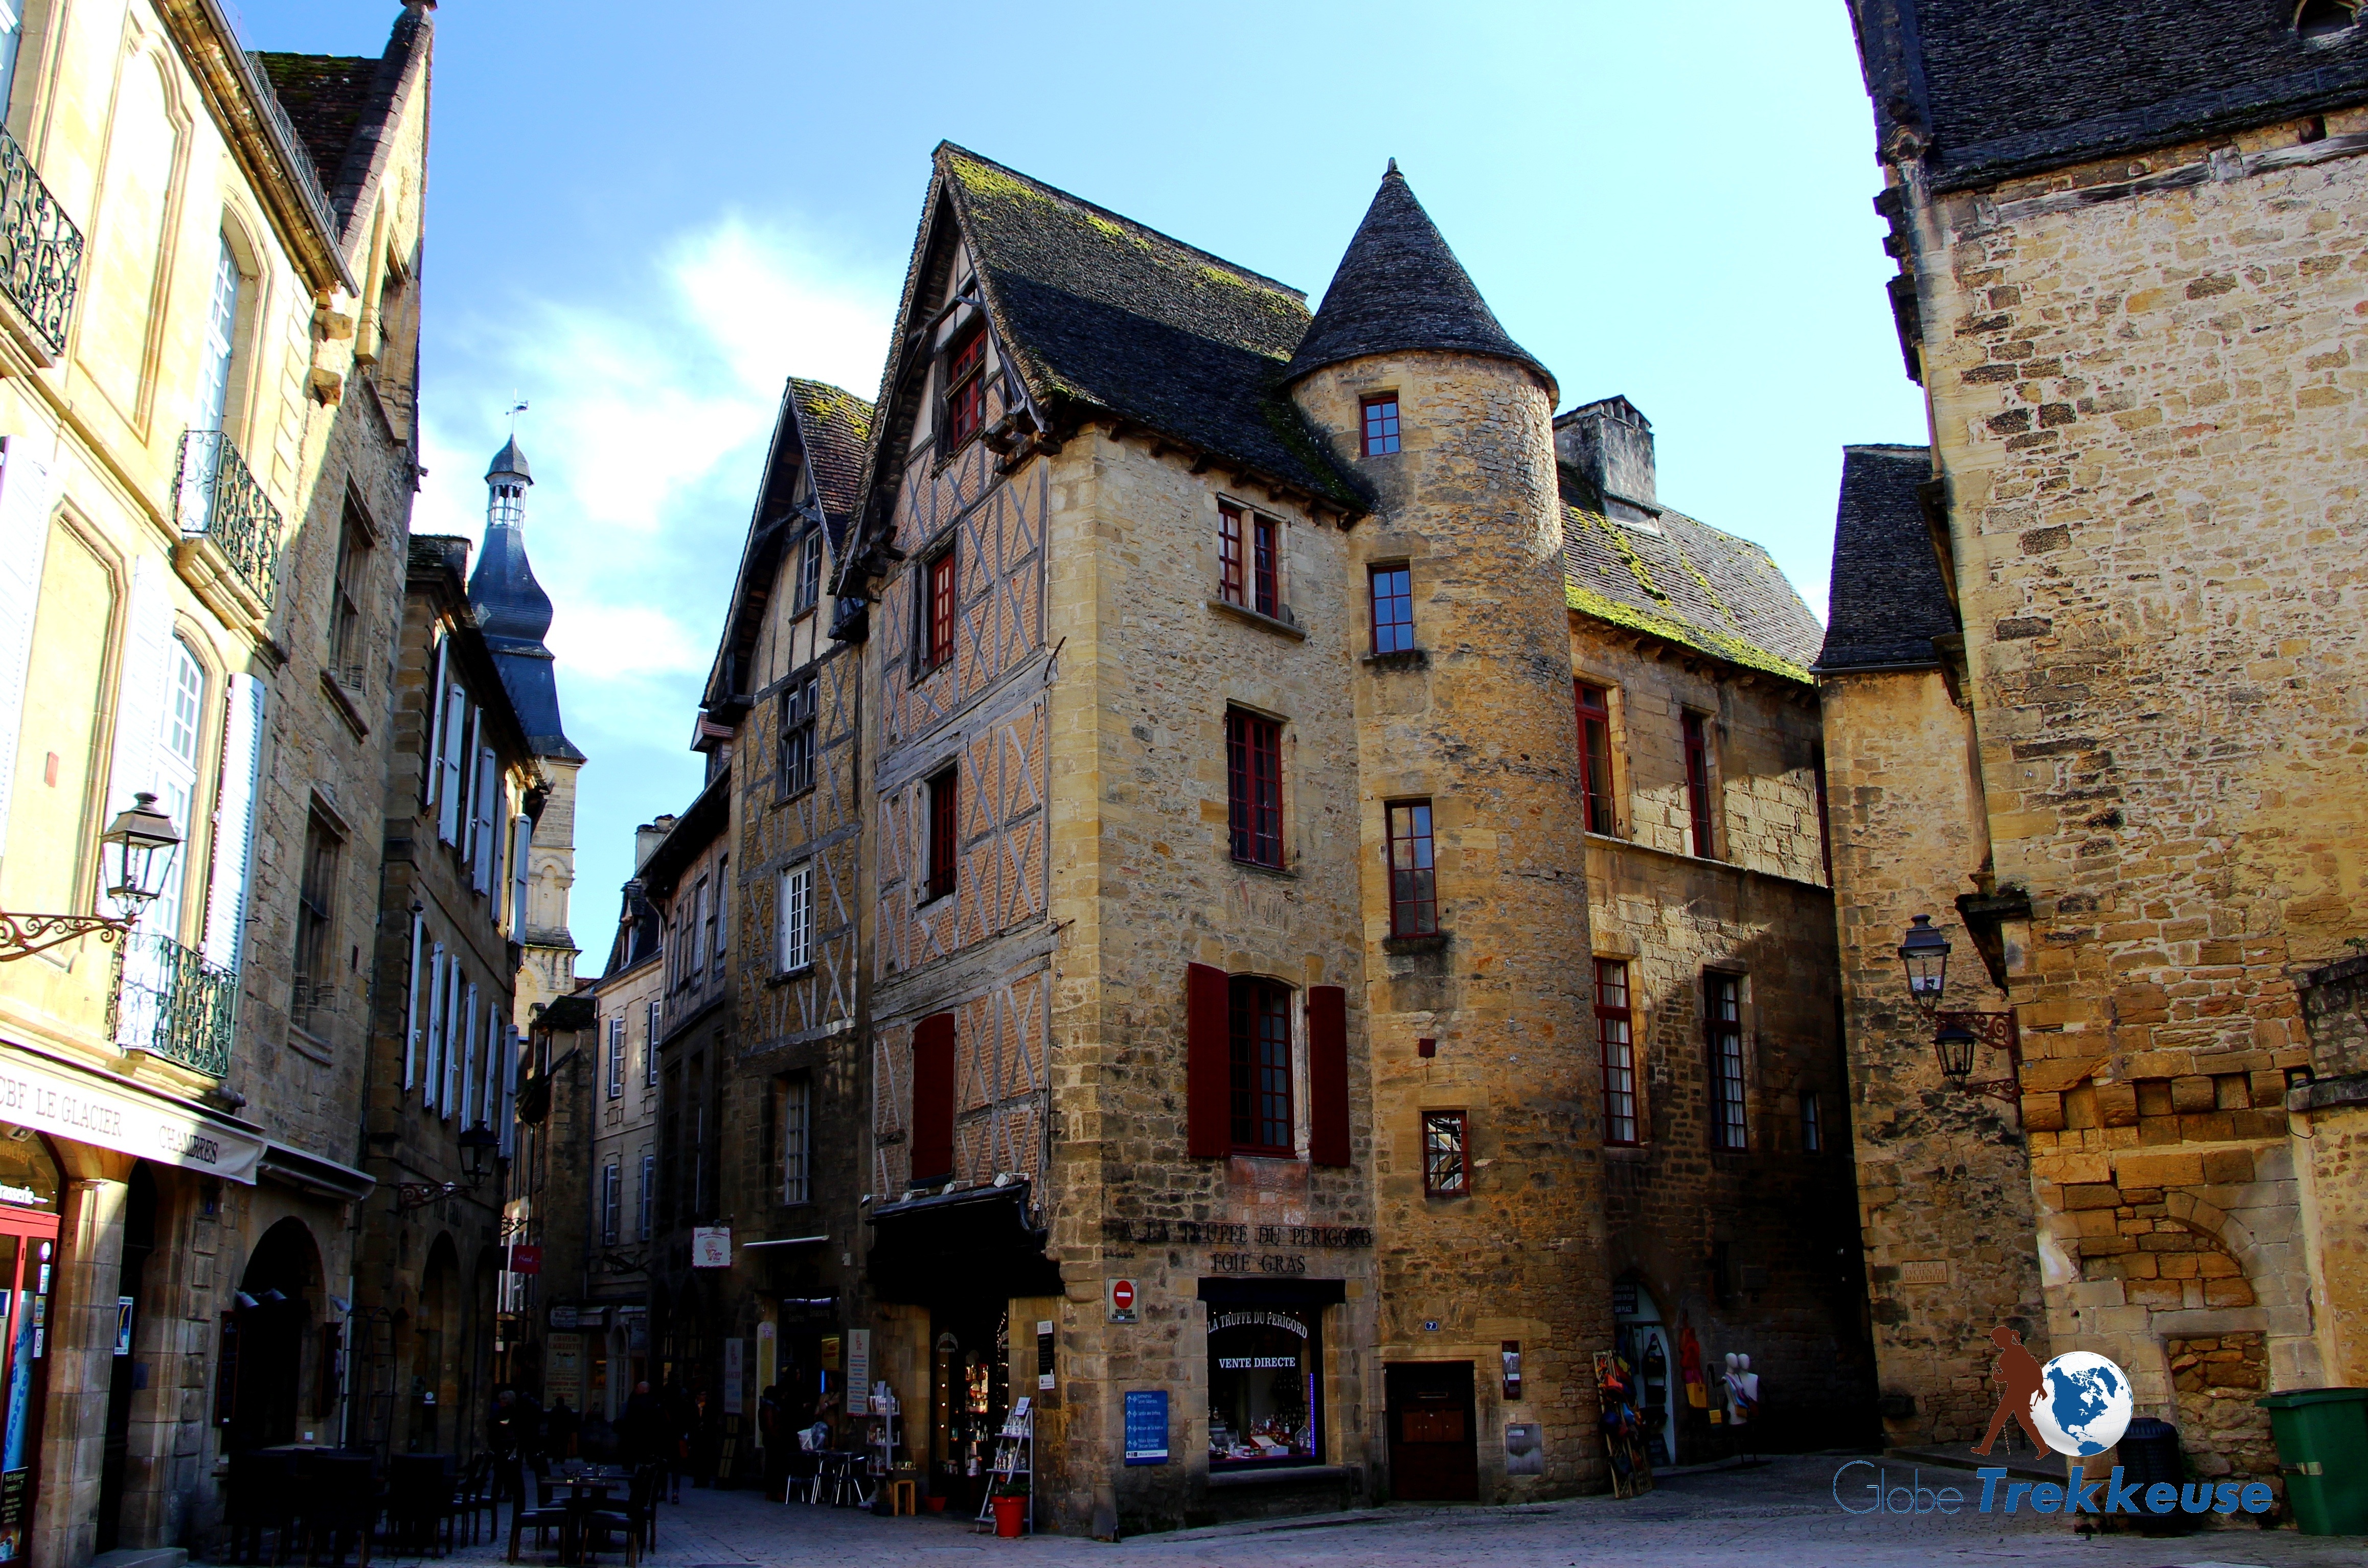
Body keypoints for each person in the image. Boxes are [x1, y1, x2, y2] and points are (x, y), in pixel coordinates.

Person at [1975, 1325, 2048, 1456]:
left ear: (2003, 1339)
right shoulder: (2016, 1350)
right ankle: (1985, 1448)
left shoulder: (2015, 1352)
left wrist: (2000, 1377)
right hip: (2016, 1390)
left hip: (2018, 1390)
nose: (1995, 1343)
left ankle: (2043, 1448)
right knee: (2014, 1420)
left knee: (2014, 1420)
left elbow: (2017, 1373)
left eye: (1996, 1340)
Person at [621, 1380, 662, 1467]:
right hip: (646, 1437)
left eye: (638, 1388)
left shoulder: (636, 1402)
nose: (636, 1389)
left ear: (644, 1390)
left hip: (636, 1436)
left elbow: (629, 1418)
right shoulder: (653, 1402)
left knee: (631, 1462)